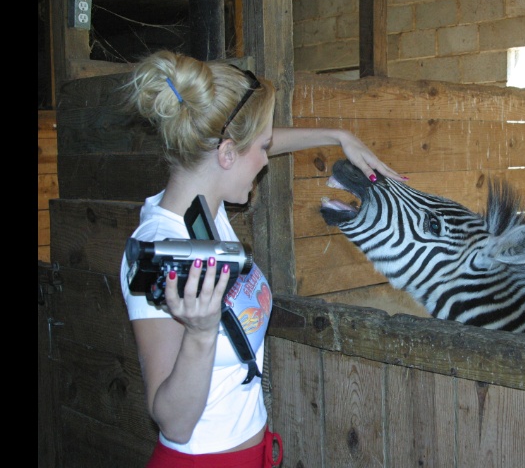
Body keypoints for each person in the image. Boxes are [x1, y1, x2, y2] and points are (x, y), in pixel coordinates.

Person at [119, 50, 405, 467]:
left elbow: (253, 140)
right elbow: (173, 423)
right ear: (226, 153)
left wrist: (338, 135)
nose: (268, 158)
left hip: (252, 451)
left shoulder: (206, 210)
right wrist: (201, 333)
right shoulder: (162, 251)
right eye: (263, 148)